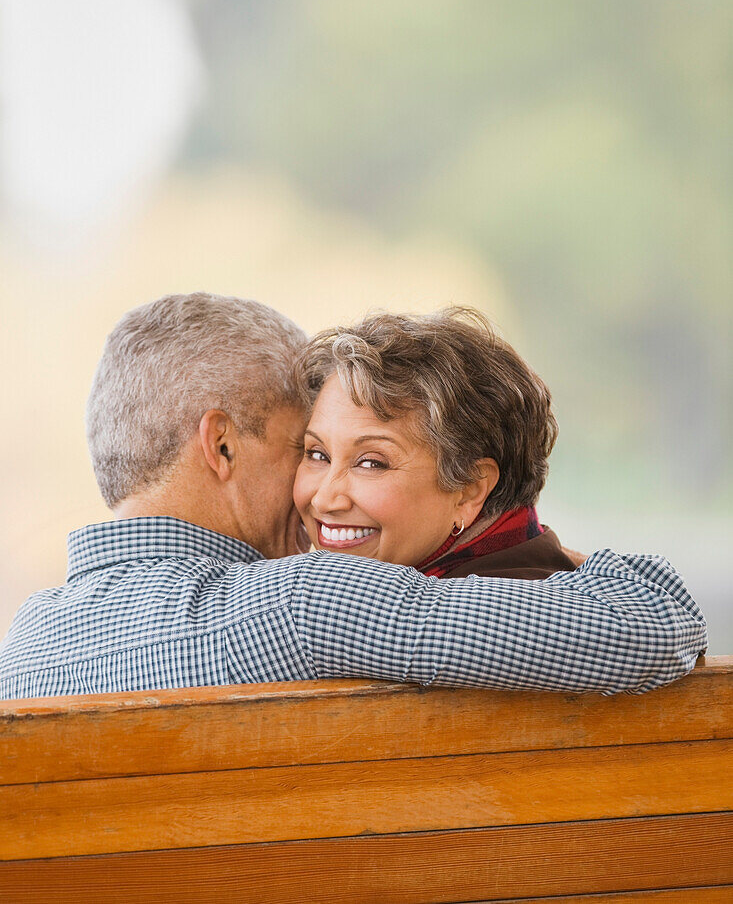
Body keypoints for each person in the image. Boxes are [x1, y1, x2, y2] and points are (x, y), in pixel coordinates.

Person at [0, 292, 706, 700]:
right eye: (304, 449)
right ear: (220, 447)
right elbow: (656, 628)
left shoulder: (22, 649)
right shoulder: (298, 602)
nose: (319, 495)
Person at [294, 308, 578, 579]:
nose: (323, 499)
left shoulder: (490, 616)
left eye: (371, 463)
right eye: (318, 454)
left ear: (469, 490)